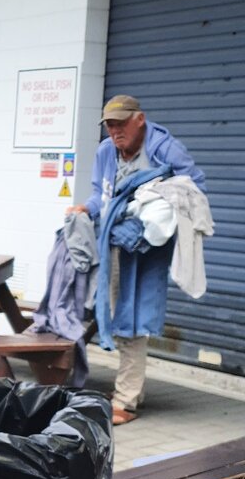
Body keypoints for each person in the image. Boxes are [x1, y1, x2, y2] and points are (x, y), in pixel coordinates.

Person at [70, 94, 207, 424]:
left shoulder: (164, 147)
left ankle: (127, 400)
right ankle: (131, 390)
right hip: (113, 244)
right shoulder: (107, 152)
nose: (115, 132)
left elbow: (194, 186)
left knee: (132, 321)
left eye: (120, 124)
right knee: (117, 317)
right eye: (110, 126)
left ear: (140, 119)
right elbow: (99, 195)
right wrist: (85, 208)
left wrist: (157, 202)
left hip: (147, 250)